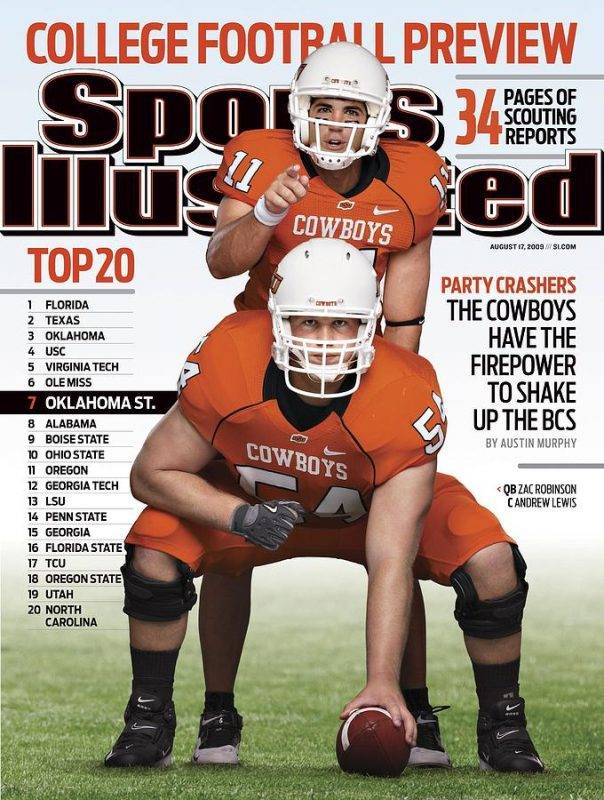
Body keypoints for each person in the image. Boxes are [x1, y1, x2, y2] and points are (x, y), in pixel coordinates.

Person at [104, 240, 543, 775]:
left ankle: (502, 723)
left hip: (364, 514)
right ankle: (151, 715)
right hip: (257, 508)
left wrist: (380, 678)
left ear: (372, 325)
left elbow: (390, 559)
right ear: (275, 320)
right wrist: (240, 518)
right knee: (154, 551)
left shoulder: (405, 389)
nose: (325, 342)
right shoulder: (228, 357)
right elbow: (150, 473)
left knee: (494, 563)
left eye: (342, 325)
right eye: (308, 323)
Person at [206, 40, 453, 768]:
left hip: (363, 360)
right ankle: (217, 714)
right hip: (259, 350)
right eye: (323, 106)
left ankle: (412, 702)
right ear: (297, 108)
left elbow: (406, 291)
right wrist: (263, 211)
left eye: (353, 109)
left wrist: (395, 399)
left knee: (396, 545)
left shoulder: (413, 177)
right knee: (227, 542)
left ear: (376, 116)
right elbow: (221, 259)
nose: (338, 122)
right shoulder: (261, 157)